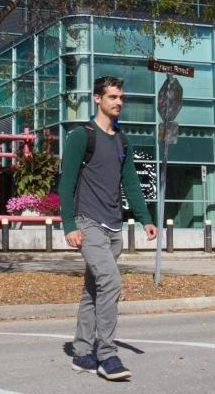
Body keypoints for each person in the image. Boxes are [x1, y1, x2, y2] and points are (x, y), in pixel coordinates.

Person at [59, 75, 158, 381]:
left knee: (93, 290)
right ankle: (107, 354)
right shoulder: (81, 136)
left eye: (121, 98)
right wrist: (69, 225)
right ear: (98, 99)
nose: (118, 102)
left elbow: (130, 183)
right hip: (88, 224)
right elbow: (66, 184)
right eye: (113, 97)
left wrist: (145, 218)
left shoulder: (121, 140)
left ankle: (82, 352)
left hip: (114, 227)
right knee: (111, 282)